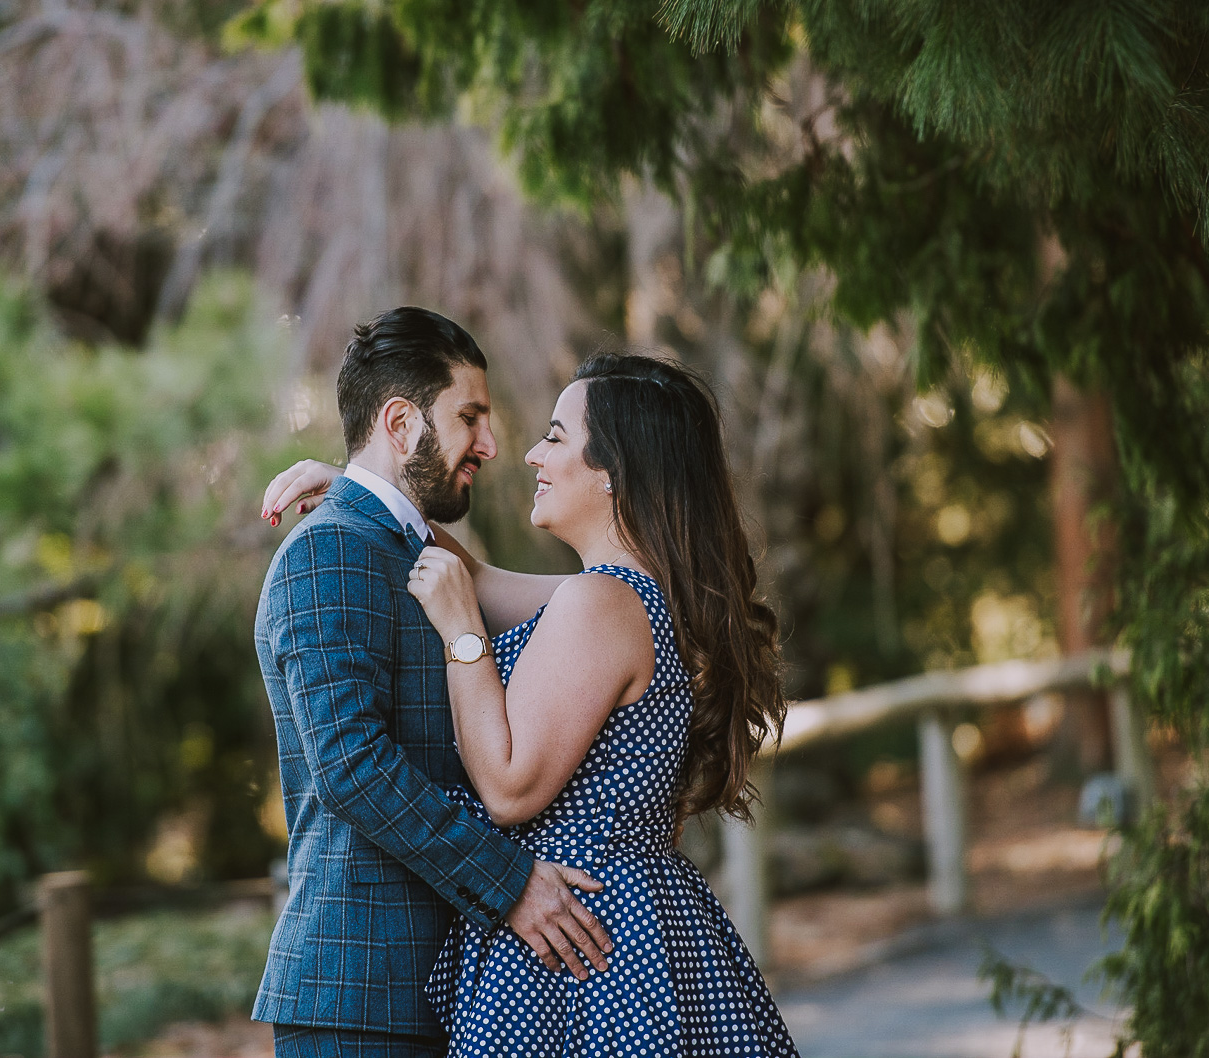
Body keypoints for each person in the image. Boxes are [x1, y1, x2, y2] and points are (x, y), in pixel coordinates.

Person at [263, 350, 799, 1055]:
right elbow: (474, 573)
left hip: (575, 943)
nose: (528, 453)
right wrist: (364, 487)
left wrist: (462, 636)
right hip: (618, 921)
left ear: (612, 470)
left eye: (555, 436)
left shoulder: (599, 603)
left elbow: (510, 789)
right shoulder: (626, 595)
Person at [252, 307, 614, 1058]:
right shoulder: (327, 553)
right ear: (399, 421)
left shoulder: (413, 555)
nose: (490, 443)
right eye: (470, 417)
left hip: (449, 988)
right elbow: (352, 767)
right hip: (360, 1001)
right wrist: (510, 882)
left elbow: (578, 613)